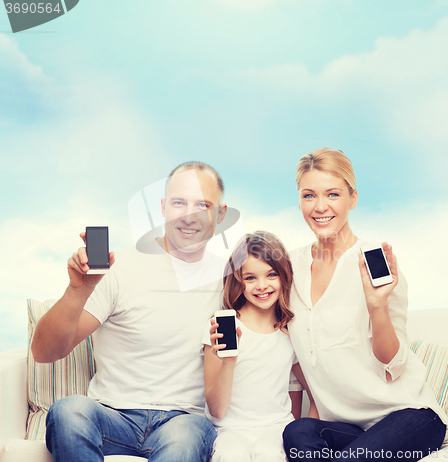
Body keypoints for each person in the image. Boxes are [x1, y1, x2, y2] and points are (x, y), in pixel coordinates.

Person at [31, 162, 228, 462]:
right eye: (179, 202)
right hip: (112, 416)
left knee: (184, 440)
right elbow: (44, 351)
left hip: (182, 421)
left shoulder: (232, 280)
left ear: (221, 214)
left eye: (202, 205)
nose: (189, 215)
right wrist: (78, 290)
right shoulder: (120, 267)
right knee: (69, 411)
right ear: (163, 207)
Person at [282, 148, 448, 462]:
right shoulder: (290, 267)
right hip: (349, 427)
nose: (320, 207)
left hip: (408, 416)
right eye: (309, 195)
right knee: (297, 433)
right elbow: (299, 356)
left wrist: (377, 305)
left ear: (353, 198)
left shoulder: (373, 263)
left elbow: (393, 365)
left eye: (333, 194)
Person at [203, 231, 317, 462]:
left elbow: (315, 390)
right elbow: (216, 410)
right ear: (238, 280)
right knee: (231, 456)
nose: (262, 286)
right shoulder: (220, 327)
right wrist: (229, 362)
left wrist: (309, 429)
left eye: (271, 274)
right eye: (250, 278)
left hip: (275, 429)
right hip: (229, 431)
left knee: (269, 456)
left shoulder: (290, 331)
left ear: (284, 276)